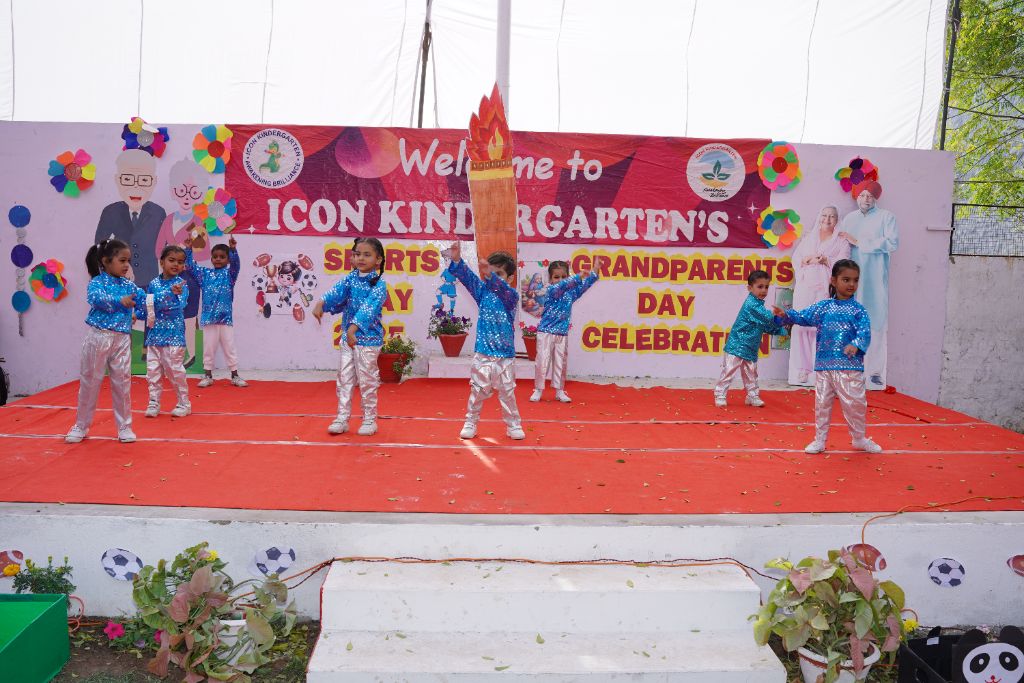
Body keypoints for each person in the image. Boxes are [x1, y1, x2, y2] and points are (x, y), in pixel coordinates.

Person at [773, 259, 882, 454]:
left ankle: (859, 439)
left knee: (855, 405)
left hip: (849, 367)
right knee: (822, 404)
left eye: (855, 280)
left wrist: (855, 345)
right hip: (824, 366)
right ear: (833, 280)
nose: (851, 285)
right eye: (846, 279)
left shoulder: (858, 310)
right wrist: (786, 315)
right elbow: (803, 316)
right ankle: (819, 440)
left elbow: (864, 333)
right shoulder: (823, 307)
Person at [65, 238, 147, 444]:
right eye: (122, 260)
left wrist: (167, 295)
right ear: (106, 261)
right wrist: (120, 302)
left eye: (128, 260)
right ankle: (81, 425)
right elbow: (96, 300)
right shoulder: (97, 283)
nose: (126, 265)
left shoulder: (130, 285)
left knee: (122, 384)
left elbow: (144, 301)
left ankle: (125, 427)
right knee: (90, 383)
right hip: (98, 338)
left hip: (121, 340)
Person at [447, 243, 524, 440]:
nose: (493, 277)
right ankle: (470, 422)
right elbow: (468, 278)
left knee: (507, 392)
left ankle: (513, 425)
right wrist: (457, 260)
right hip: (483, 352)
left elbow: (501, 288)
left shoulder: (511, 296)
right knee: (478, 391)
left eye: (499, 273)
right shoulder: (482, 292)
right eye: (490, 272)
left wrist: (490, 275)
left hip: (505, 355)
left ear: (510, 278)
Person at [312, 237, 389, 436]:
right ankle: (342, 418)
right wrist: (322, 302)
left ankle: (370, 419)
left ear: (378, 260)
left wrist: (353, 328)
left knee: (367, 380)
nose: (360, 258)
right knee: (344, 379)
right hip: (349, 339)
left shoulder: (379, 284)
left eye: (366, 254)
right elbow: (336, 293)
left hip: (368, 341)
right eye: (357, 254)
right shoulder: (351, 278)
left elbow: (368, 309)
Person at [836, 181, 898, 389]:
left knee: (876, 323)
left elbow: (892, 243)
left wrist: (860, 241)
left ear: (876, 199)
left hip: (874, 279)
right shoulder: (849, 219)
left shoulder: (886, 217)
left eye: (870, 196)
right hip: (851, 277)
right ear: (856, 197)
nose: (866, 199)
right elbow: (842, 245)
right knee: (850, 322)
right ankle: (849, 370)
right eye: (862, 195)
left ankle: (874, 373)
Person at [155, 159, 211, 367]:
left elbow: (204, 252)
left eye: (194, 193)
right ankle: (170, 355)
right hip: (168, 279)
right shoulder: (168, 220)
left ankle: (192, 354)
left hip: (189, 279)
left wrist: (186, 254)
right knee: (170, 316)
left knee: (188, 318)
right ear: (173, 191)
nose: (187, 197)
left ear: (201, 195)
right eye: (182, 191)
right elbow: (158, 248)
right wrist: (171, 257)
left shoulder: (197, 222)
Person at [789, 206, 851, 384]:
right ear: (819, 217)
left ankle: (821, 367)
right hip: (805, 285)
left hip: (824, 288)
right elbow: (797, 258)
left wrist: (826, 261)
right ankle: (803, 368)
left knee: (822, 327)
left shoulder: (841, 241)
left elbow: (844, 264)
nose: (827, 219)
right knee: (801, 324)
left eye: (832, 216)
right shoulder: (809, 237)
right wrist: (807, 259)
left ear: (837, 219)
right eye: (824, 215)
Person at [95, 149, 167, 288]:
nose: (135, 186)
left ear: (154, 182)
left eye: (144, 180)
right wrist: (121, 264)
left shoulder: (158, 212)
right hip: (119, 282)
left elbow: (162, 248)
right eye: (127, 179)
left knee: (149, 309)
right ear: (117, 180)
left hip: (150, 282)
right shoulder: (110, 212)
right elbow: (99, 246)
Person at [530, 260, 598, 403]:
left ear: (567, 276)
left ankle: (559, 391)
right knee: (542, 362)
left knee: (560, 364)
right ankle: (538, 389)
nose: (560, 280)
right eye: (556, 277)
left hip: (562, 334)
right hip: (546, 332)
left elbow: (584, 286)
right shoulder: (551, 291)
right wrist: (577, 277)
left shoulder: (570, 294)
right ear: (550, 279)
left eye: (563, 276)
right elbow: (562, 286)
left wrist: (594, 272)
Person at [713, 270, 784, 408]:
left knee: (751, 373)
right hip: (737, 344)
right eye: (760, 286)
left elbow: (765, 326)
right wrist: (782, 321)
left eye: (766, 287)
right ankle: (720, 394)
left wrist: (780, 330)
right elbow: (768, 319)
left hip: (751, 346)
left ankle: (752, 396)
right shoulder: (752, 305)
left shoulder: (759, 305)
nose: (764, 290)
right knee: (729, 370)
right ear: (750, 288)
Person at [184, 235, 247, 388]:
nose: (218, 259)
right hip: (208, 319)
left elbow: (236, 265)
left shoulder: (230, 275)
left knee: (229, 347)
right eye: (215, 257)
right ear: (211, 259)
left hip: (225, 319)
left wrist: (233, 250)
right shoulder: (204, 275)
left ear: (228, 260)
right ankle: (207, 375)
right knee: (208, 348)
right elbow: (190, 266)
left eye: (222, 257)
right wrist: (188, 249)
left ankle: (235, 375)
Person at [144, 245, 191, 418]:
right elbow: (149, 306)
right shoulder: (153, 284)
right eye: (171, 260)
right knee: (153, 372)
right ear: (162, 262)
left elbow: (178, 305)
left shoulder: (181, 285)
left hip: (174, 336)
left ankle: (184, 403)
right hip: (154, 336)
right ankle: (153, 402)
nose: (175, 265)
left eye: (180, 262)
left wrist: (167, 297)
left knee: (175, 371)